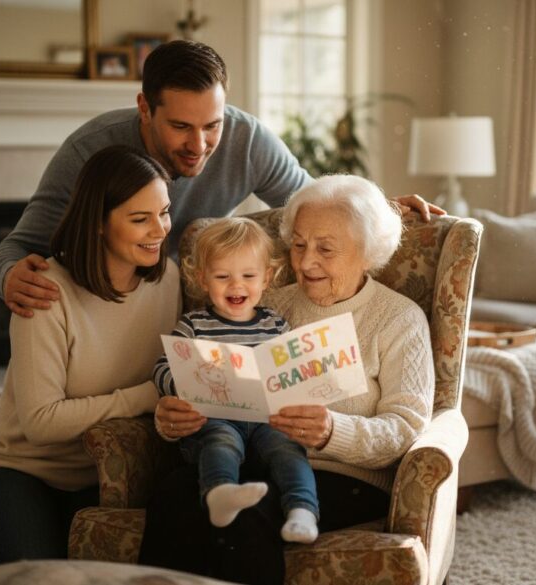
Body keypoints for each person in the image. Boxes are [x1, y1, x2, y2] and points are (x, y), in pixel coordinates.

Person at [0, 39, 440, 319]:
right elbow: (16, 246)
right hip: (104, 305)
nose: (200, 144)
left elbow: (317, 203)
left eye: (212, 125)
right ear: (145, 109)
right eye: (181, 127)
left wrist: (380, 210)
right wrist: (9, 274)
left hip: (195, 305)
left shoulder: (246, 139)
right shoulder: (89, 150)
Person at [140, 174, 436, 584]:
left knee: (248, 519)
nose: (305, 262)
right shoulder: (268, 305)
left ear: (367, 253)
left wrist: (334, 430)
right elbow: (216, 379)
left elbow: (406, 427)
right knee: (173, 494)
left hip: (343, 476)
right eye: (298, 245)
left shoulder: (399, 319)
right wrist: (175, 417)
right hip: (248, 454)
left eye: (325, 249)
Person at [0, 145, 181, 571]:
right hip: (16, 471)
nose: (160, 230)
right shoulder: (44, 292)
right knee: (37, 577)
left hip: (105, 474)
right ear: (98, 224)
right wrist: (144, 397)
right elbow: (41, 423)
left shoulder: (168, 280)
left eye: (164, 212)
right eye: (140, 219)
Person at [152, 217, 320, 544]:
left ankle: (302, 511)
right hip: (216, 417)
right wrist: (182, 385)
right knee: (220, 442)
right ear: (202, 279)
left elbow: (294, 370)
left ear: (267, 278)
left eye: (248, 275)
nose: (236, 286)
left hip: (266, 420)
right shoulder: (194, 326)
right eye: (222, 276)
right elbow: (161, 366)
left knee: (289, 450)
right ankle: (219, 493)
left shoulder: (275, 325)